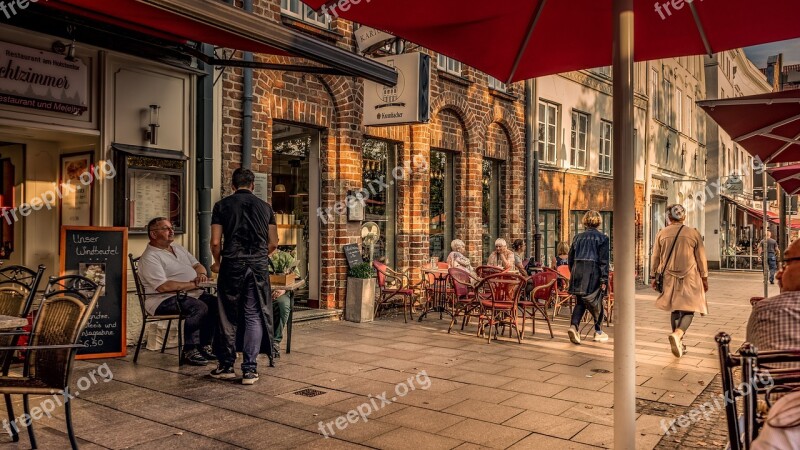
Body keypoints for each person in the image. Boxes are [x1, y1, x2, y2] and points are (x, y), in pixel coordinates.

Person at [210, 168, 279, 385]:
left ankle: (227, 365)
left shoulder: (222, 206)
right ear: (252, 185)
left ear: (233, 185)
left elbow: (215, 241)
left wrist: (218, 261)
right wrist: (259, 256)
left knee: (227, 315)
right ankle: (250, 370)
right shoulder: (266, 207)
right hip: (257, 265)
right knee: (254, 314)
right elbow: (274, 242)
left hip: (232, 262)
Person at [138, 217, 217, 366]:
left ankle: (205, 345)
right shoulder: (150, 257)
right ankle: (190, 350)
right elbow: (163, 287)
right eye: (166, 228)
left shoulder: (179, 248)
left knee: (218, 304)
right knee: (199, 307)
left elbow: (198, 265)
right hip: (162, 299)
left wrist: (200, 275)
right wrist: (193, 284)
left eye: (171, 227)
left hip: (191, 293)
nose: (171, 231)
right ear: (153, 234)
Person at [650, 204, 709, 358]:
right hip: (690, 277)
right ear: (684, 217)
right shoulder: (693, 233)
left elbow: (655, 256)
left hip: (669, 276)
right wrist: (704, 277)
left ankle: (678, 341)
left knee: (675, 309)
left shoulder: (662, 233)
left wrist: (653, 275)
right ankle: (678, 335)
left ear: (669, 217)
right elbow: (701, 257)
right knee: (689, 309)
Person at [746, 238, 800, 368]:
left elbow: (751, 359)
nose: (779, 275)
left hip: (772, 386)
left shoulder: (765, 311)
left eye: (787, 263)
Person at [567, 210, 610, 344]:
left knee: (580, 302)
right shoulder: (603, 238)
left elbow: (570, 258)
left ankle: (574, 327)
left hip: (578, 272)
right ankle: (598, 331)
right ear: (599, 222)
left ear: (585, 221)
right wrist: (604, 279)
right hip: (594, 274)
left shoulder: (577, 238)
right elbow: (603, 261)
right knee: (597, 302)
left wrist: (574, 272)